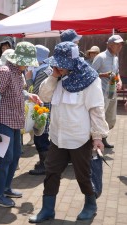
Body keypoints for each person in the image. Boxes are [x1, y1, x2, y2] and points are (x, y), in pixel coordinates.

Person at [29, 42, 109, 223]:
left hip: (80, 137)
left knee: (83, 175)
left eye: (61, 63)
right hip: (57, 136)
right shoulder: (56, 75)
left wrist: (97, 137)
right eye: (56, 63)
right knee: (51, 172)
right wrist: (53, 77)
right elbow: (44, 96)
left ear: (72, 62)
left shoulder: (90, 79)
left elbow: (96, 109)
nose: (57, 66)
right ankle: (47, 209)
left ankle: (90, 205)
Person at [0, 42, 41, 208]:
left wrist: (29, 96)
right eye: (27, 61)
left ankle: (6, 188)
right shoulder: (5, 71)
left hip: (15, 120)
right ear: (18, 59)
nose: (28, 65)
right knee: (5, 157)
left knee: (15, 155)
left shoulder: (18, 73)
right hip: (3, 121)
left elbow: (16, 92)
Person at [91, 35, 124, 149]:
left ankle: (103, 138)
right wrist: (104, 75)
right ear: (110, 45)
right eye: (117, 44)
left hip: (112, 92)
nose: (120, 46)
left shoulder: (115, 57)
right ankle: (96, 141)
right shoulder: (101, 57)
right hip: (101, 92)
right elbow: (91, 73)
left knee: (110, 118)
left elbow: (117, 72)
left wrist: (119, 81)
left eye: (121, 44)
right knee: (100, 117)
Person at [25, 44, 52, 175]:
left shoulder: (43, 71)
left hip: (42, 110)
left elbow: (35, 92)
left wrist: (28, 79)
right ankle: (45, 162)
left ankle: (45, 165)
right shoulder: (44, 69)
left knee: (41, 137)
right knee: (42, 136)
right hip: (43, 109)